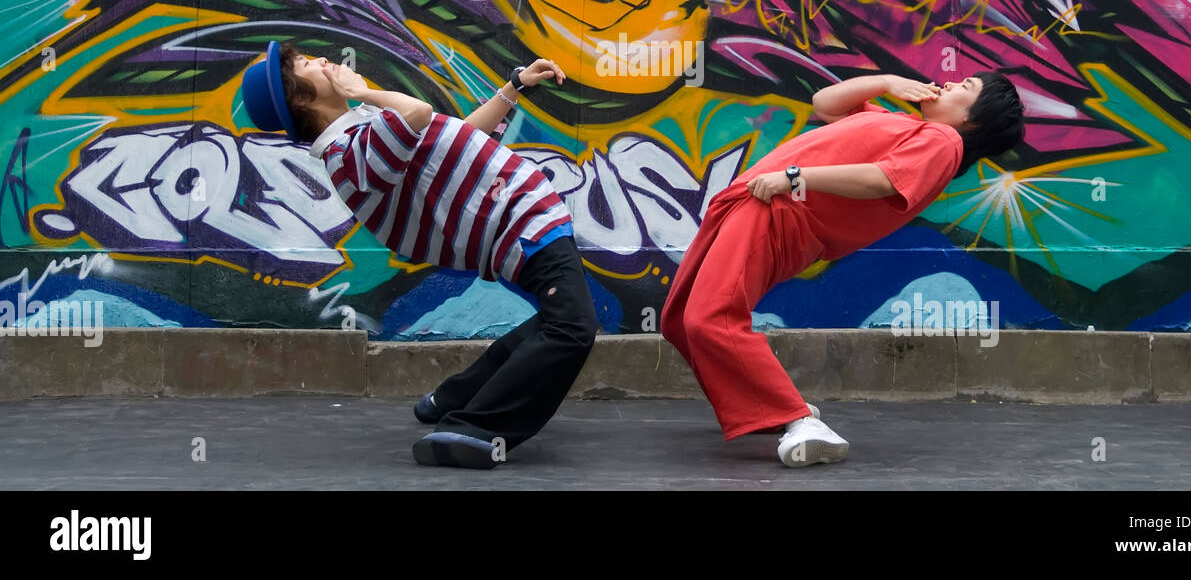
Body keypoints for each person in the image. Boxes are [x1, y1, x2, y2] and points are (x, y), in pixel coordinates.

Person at [239, 41, 597, 469]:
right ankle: (473, 430)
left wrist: (513, 87)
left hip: (524, 217)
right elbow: (418, 113)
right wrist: (363, 90)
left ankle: (450, 398)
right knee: (572, 327)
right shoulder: (349, 154)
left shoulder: (363, 133)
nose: (319, 60)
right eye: (304, 64)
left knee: (556, 320)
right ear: (300, 97)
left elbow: (457, 140)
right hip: (520, 224)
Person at [661, 71, 1025, 467]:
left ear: (973, 120)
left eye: (966, 88)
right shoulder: (907, 127)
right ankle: (765, 410)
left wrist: (793, 177)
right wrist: (886, 81)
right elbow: (826, 103)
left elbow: (881, 180)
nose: (950, 84)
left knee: (710, 317)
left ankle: (798, 420)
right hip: (751, 205)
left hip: (776, 213)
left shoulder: (943, 141)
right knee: (678, 319)